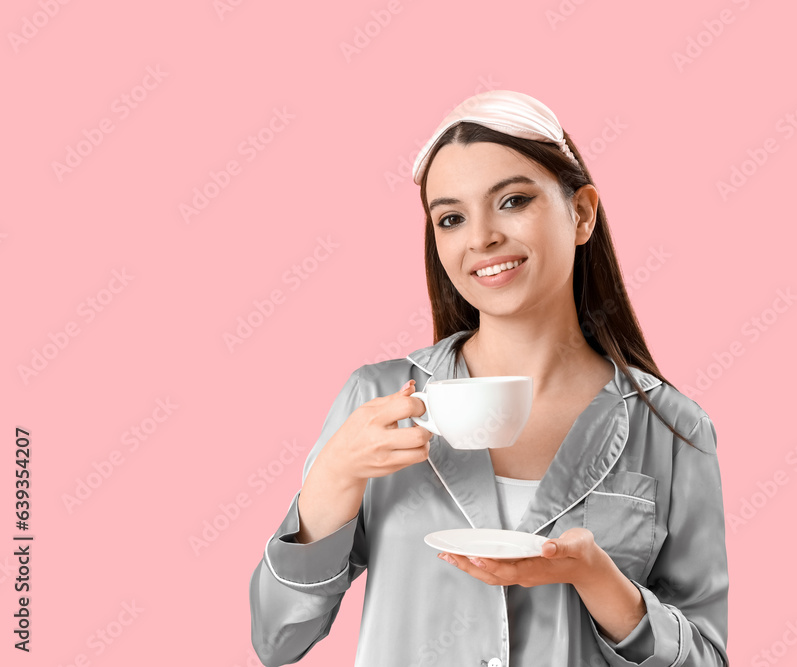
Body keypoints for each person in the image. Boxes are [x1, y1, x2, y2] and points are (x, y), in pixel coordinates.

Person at [249, 90, 729, 667]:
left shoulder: (674, 429)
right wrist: (330, 482)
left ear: (581, 213)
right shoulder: (379, 399)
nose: (480, 238)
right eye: (451, 218)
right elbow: (276, 640)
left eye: (512, 201)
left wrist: (599, 580)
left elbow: (706, 657)